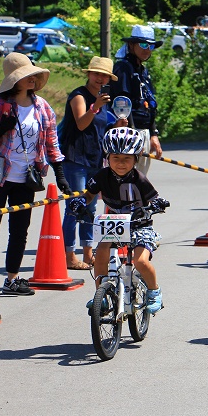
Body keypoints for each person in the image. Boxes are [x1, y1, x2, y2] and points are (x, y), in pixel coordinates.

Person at [0, 52, 71, 295]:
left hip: (27, 178)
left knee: (20, 230)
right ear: (14, 80)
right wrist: (2, 128)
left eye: (33, 75)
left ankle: (12, 279)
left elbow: (52, 144)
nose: (32, 79)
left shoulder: (42, 107)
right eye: (26, 76)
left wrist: (61, 175)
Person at [69, 127, 168, 314]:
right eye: (116, 158)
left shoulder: (139, 179)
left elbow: (154, 199)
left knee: (140, 261)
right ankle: (102, 295)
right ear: (107, 158)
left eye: (127, 159)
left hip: (140, 224)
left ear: (135, 159)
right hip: (114, 222)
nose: (121, 163)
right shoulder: (102, 176)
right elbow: (89, 194)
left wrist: (158, 204)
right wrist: (81, 202)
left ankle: (154, 292)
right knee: (100, 256)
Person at [60, 57, 119, 270]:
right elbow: (82, 124)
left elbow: (101, 130)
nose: (99, 78)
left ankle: (87, 253)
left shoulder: (103, 101)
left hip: (95, 160)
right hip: (75, 159)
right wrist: (95, 107)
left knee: (90, 208)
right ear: (89, 74)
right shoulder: (79, 96)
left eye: (104, 75)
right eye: (96, 74)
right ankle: (69, 255)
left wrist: (117, 124)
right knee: (74, 207)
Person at [110, 25, 164, 175]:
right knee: (127, 181)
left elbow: (150, 104)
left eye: (151, 45)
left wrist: (153, 134)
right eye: (143, 44)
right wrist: (132, 136)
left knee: (140, 181)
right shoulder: (123, 68)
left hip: (144, 131)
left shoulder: (143, 70)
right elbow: (122, 104)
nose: (147, 49)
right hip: (129, 133)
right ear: (131, 45)